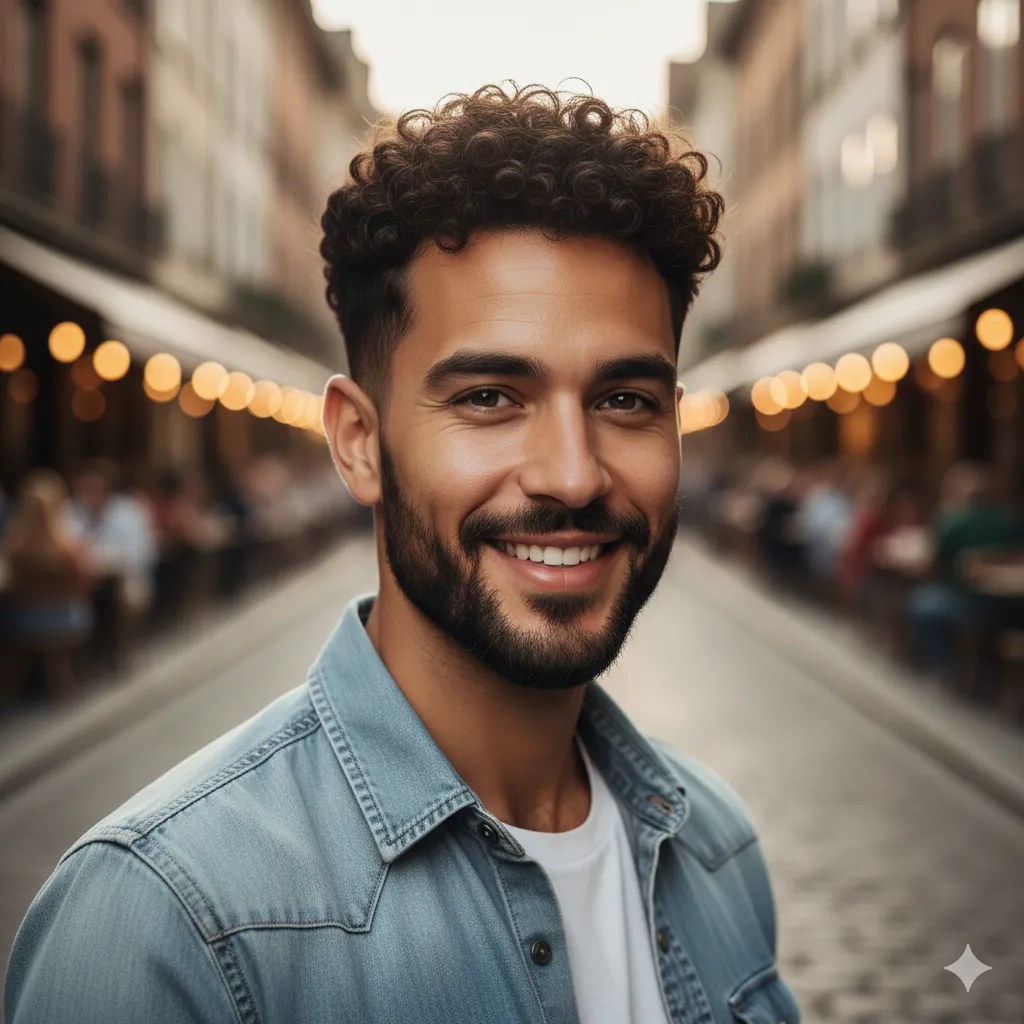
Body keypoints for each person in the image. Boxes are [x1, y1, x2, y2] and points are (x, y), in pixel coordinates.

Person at [5, 86, 801, 1024]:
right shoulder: (164, 921)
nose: (574, 477)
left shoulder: (713, 845)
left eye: (625, 400)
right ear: (355, 442)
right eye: (490, 398)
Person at [907, 462, 1021, 677]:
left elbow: (928, 566)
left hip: (968, 603)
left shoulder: (952, 522)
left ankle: (948, 667)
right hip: (1010, 607)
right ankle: (983, 667)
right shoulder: (1009, 522)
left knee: (921, 604)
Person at [0, 469, 95, 699]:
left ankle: (11, 688)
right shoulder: (68, 545)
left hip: (24, 619)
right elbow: (86, 579)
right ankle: (67, 682)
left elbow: (9, 580)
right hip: (65, 619)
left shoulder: (14, 546)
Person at [65, 459, 157, 617]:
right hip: (83, 578)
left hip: (124, 576)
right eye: (85, 488)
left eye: (93, 488)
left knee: (132, 593)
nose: (88, 494)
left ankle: (124, 639)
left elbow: (142, 553)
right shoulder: (69, 511)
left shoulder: (130, 511)